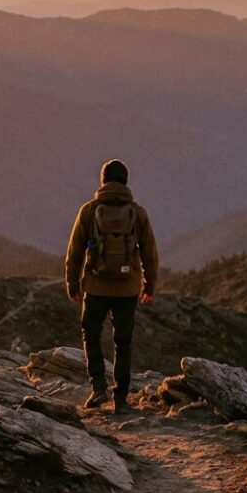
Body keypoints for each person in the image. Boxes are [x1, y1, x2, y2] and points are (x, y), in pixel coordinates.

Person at [64, 159, 159, 414]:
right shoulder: (137, 213)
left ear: (103, 181)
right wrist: (149, 284)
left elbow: (75, 251)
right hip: (127, 289)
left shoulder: (89, 210)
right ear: (125, 181)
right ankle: (121, 398)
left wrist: (72, 283)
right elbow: (149, 252)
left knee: (91, 335)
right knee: (123, 342)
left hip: (96, 287)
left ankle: (98, 389)